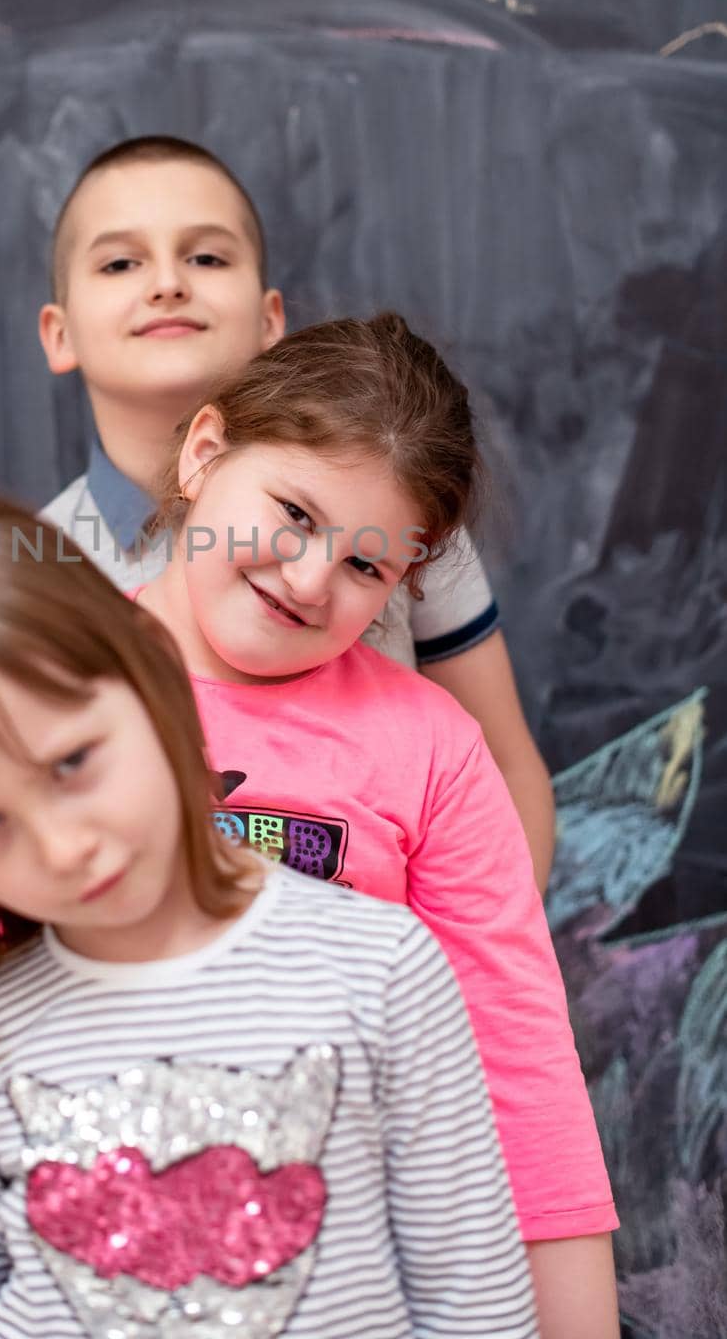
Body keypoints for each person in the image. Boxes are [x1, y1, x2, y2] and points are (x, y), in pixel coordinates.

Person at [0, 491, 538, 1339]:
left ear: (149, 670)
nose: (61, 846)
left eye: (71, 762)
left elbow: (475, 1306)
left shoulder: (384, 970)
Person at [133, 313, 620, 1339]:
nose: (308, 579)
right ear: (204, 451)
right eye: (293, 514)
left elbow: (519, 1071)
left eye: (366, 567)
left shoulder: (431, 752)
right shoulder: (47, 689)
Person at [38, 135, 556, 889]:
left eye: (207, 258)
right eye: (120, 263)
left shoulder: (399, 525)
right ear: (58, 332)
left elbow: (505, 770)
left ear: (270, 318)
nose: (167, 284)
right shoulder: (36, 573)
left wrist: (473, 979)